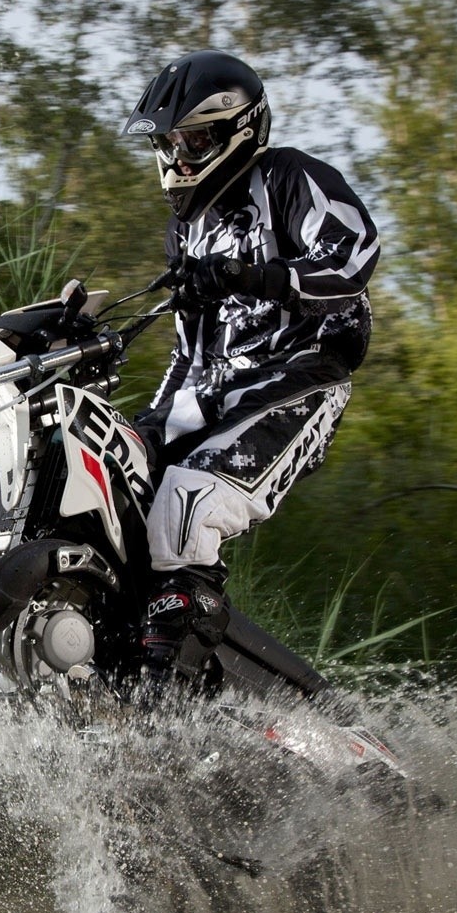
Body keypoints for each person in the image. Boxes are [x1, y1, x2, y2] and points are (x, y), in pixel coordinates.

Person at [118, 49, 380, 695]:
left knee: (191, 501)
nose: (180, 159)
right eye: (169, 143)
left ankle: (168, 699)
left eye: (195, 141)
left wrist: (253, 275)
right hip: (217, 394)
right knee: (114, 474)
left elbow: (354, 258)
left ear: (240, 130)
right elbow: (192, 353)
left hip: (303, 380)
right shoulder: (185, 233)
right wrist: (148, 429)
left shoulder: (289, 178)